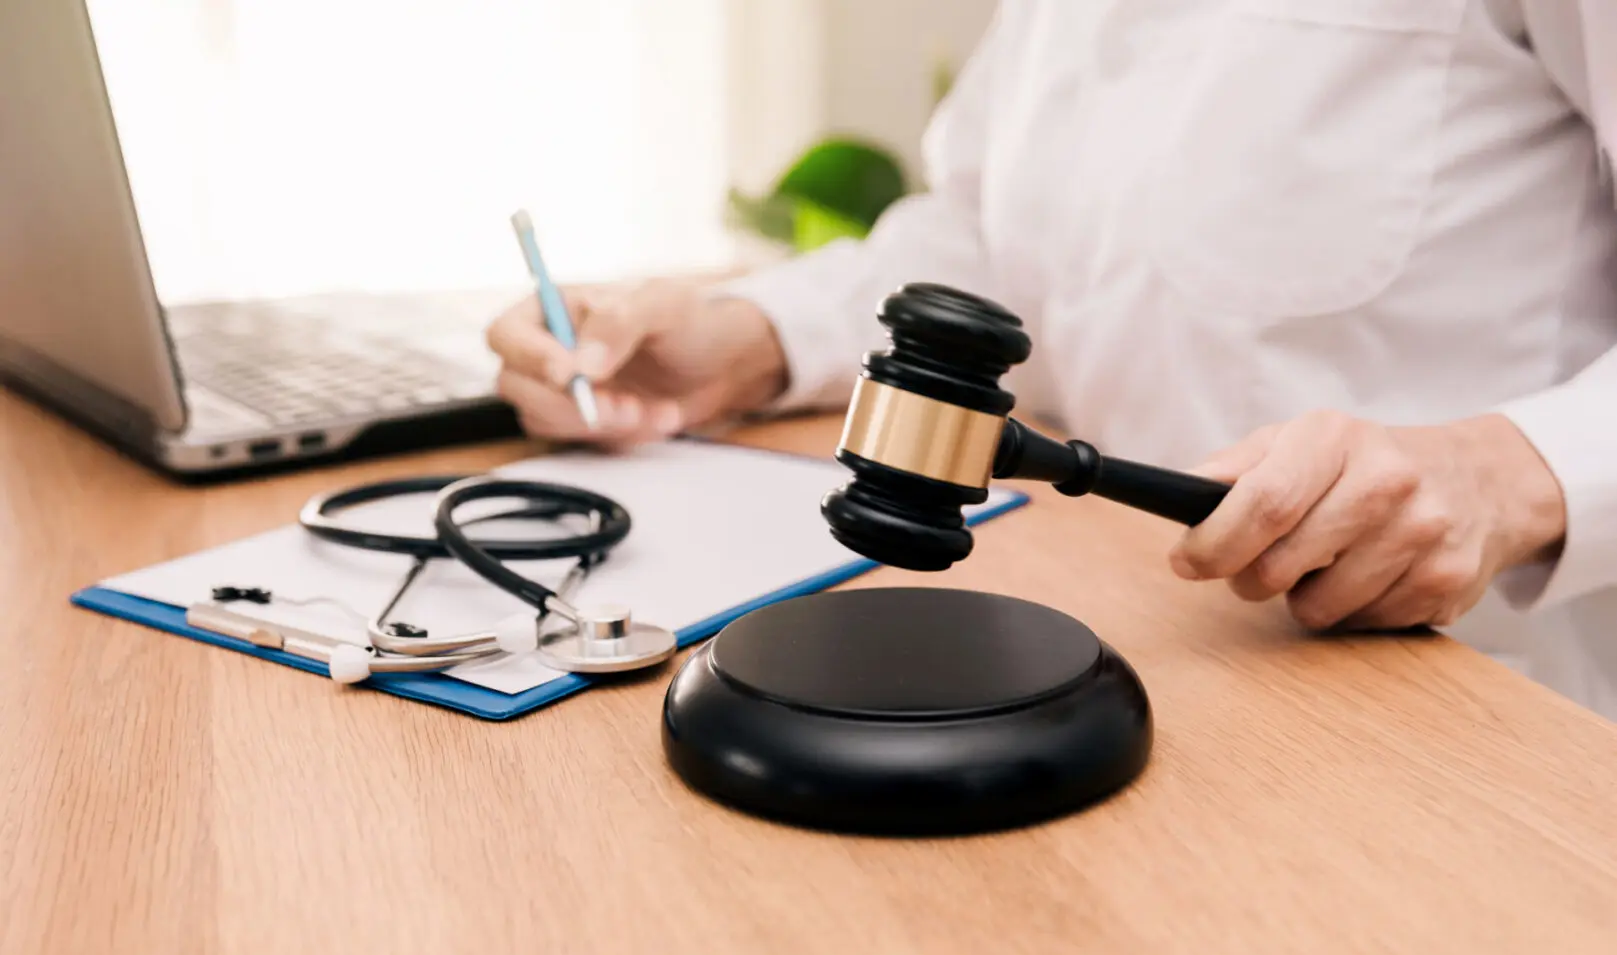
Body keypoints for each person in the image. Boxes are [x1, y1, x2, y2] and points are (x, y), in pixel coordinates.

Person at [486, 0, 1617, 721]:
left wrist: (1510, 472)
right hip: (1150, 637)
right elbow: (987, 234)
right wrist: (751, 339)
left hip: (1447, 695)